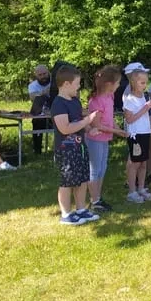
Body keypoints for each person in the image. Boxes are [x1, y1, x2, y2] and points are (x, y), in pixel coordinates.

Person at [51, 65, 100, 225]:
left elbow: (78, 121)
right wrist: (87, 120)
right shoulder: (58, 104)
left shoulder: (75, 101)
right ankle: (66, 214)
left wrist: (90, 129)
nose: (79, 87)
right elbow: (65, 128)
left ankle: (80, 209)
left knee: (82, 179)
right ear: (66, 84)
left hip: (80, 147)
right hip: (66, 150)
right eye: (77, 83)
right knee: (67, 182)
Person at [85, 65, 128, 212]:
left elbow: (110, 118)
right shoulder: (96, 101)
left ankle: (97, 197)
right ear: (109, 84)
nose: (119, 85)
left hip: (104, 139)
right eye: (118, 83)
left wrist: (118, 128)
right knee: (94, 169)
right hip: (95, 139)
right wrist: (116, 131)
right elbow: (97, 125)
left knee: (102, 168)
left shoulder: (110, 97)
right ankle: (95, 200)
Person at [124, 69, 151, 203]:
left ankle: (141, 188)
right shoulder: (129, 99)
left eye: (146, 83)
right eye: (142, 83)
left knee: (143, 162)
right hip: (135, 135)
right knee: (135, 163)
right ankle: (132, 191)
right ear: (133, 82)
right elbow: (129, 119)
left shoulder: (144, 96)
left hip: (145, 132)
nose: (145, 85)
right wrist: (145, 109)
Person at [28, 65, 53, 154]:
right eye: (40, 75)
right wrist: (45, 91)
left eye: (44, 74)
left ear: (48, 72)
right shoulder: (32, 85)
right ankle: (37, 150)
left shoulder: (56, 82)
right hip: (40, 115)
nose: (43, 76)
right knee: (36, 121)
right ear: (36, 76)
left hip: (56, 114)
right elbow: (32, 98)